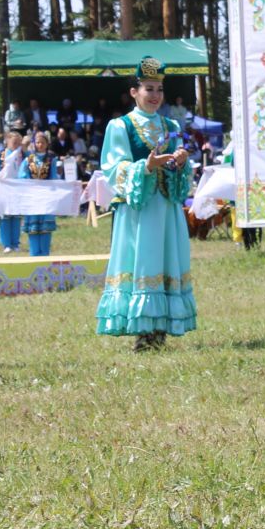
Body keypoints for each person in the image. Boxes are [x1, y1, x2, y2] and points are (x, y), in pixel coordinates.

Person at [97, 56, 197, 349]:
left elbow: (181, 169)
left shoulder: (171, 125)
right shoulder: (120, 126)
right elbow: (114, 169)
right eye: (148, 89)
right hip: (140, 210)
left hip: (165, 208)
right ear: (134, 92)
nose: (155, 96)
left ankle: (161, 328)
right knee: (143, 261)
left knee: (166, 260)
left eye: (159, 90)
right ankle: (143, 330)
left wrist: (180, 163)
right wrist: (146, 167)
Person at [14, 129, 61, 257]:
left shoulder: (51, 159)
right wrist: (30, 183)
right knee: (33, 226)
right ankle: (34, 254)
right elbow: (22, 175)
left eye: (42, 142)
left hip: (46, 196)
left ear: (47, 143)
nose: (40, 145)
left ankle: (45, 253)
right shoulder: (28, 159)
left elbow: (53, 177)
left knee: (45, 226)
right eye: (37, 142)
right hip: (32, 197)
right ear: (34, 143)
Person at [0, 129, 26, 252]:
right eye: (14, 142)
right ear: (7, 141)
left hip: (18, 188)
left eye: (19, 142)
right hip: (3, 188)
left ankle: (15, 243)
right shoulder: (1, 154)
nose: (16, 145)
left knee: (16, 217)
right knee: (5, 217)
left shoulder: (23, 154)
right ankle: (6, 244)